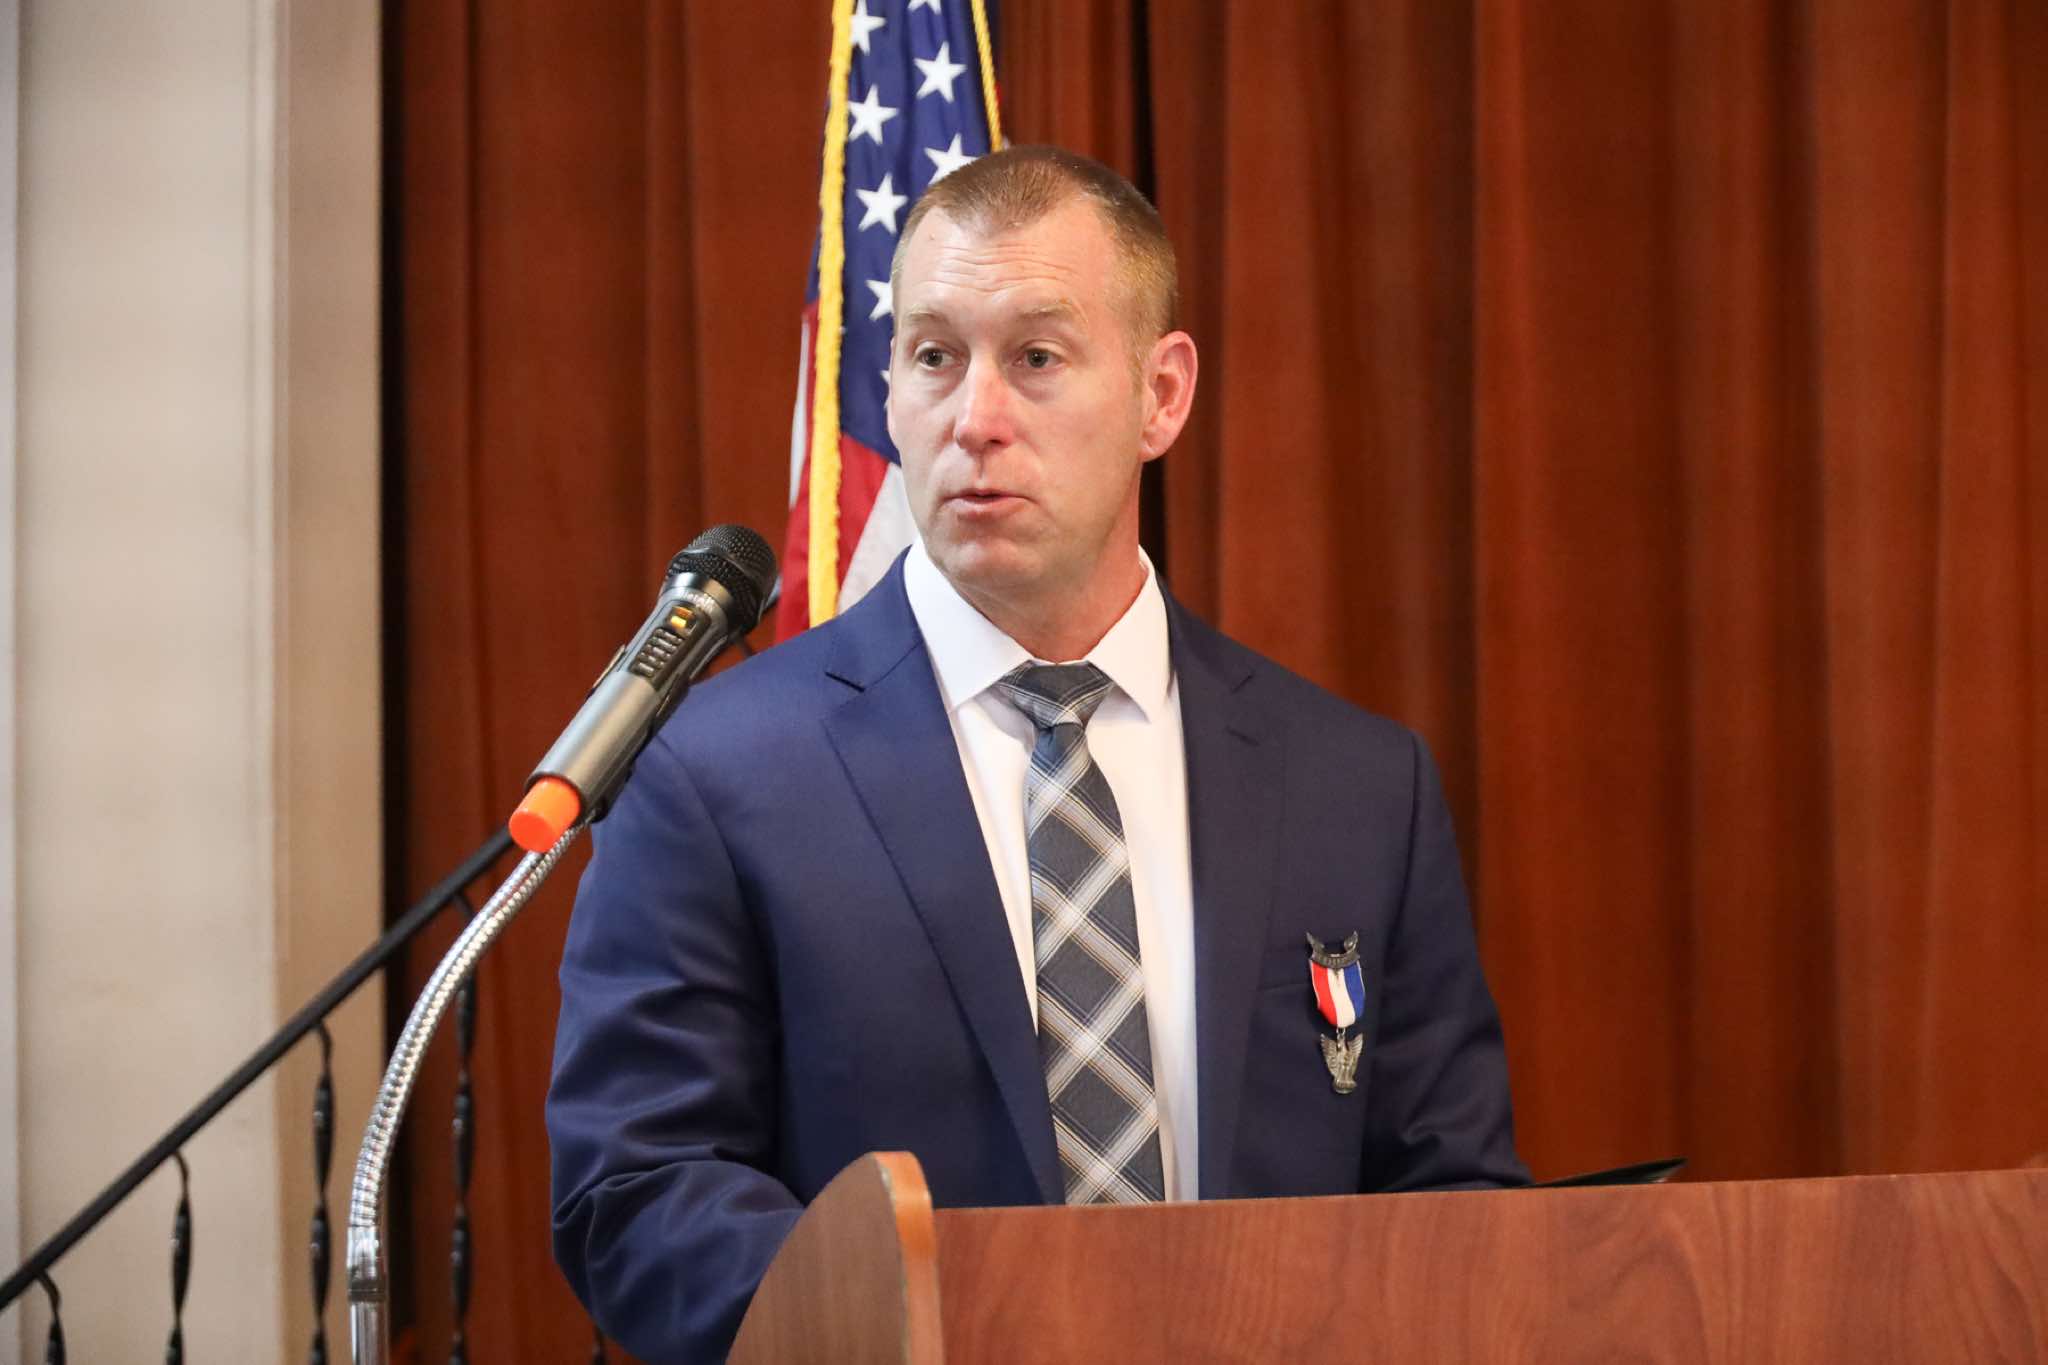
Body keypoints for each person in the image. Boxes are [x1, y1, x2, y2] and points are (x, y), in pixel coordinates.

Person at [547, 145, 1526, 1363]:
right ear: (887, 389)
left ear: (1160, 395)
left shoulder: (1357, 786)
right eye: (933, 357)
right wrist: (960, 1330)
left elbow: (1451, 1196)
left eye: (1037, 359)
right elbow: (639, 1192)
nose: (975, 421)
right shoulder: (715, 775)